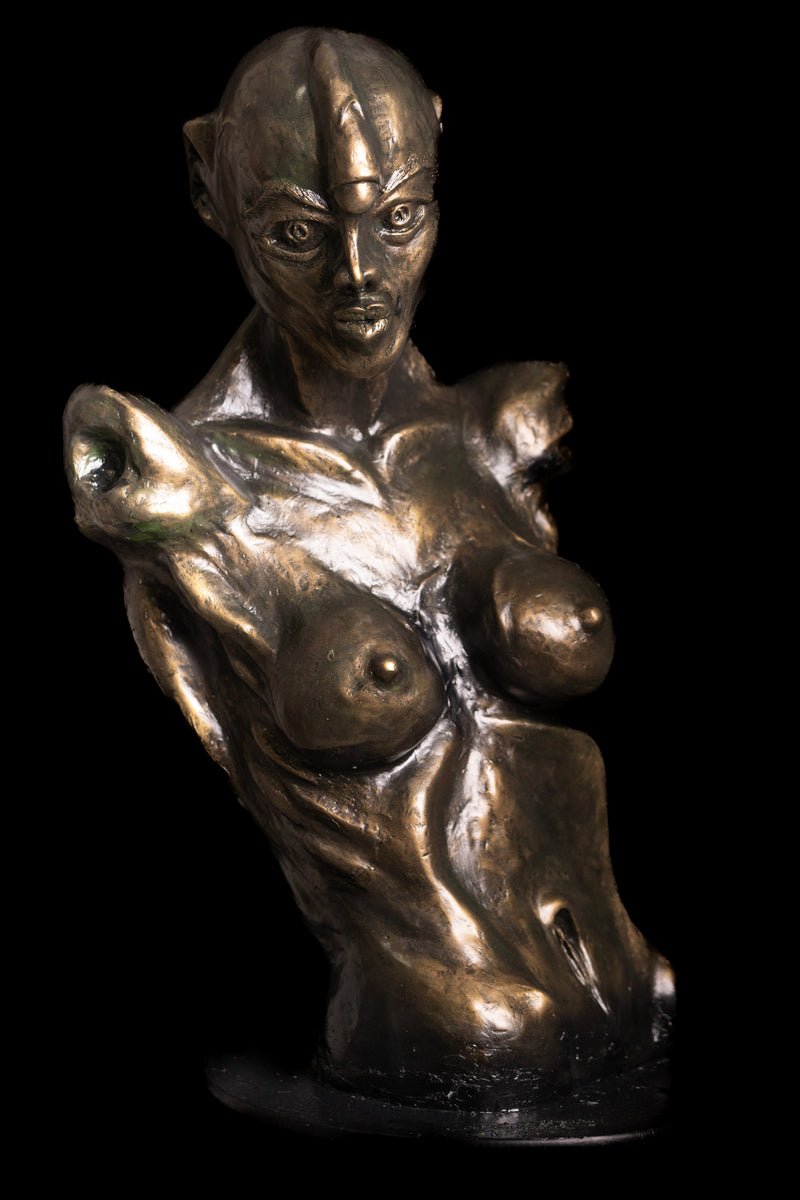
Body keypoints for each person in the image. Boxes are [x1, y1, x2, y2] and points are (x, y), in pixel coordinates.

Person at [65, 28, 673, 1109]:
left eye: (398, 219)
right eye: (298, 233)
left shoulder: (494, 429)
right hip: (432, 1015)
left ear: (436, 163)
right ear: (208, 191)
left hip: (633, 984)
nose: (359, 276)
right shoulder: (192, 492)